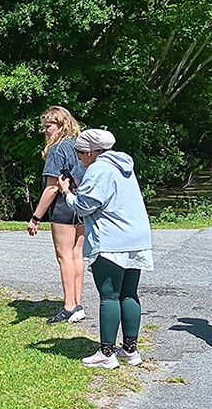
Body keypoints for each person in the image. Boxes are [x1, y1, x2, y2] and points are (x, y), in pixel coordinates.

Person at [58, 129, 153, 369]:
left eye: (81, 154)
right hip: (137, 237)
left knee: (109, 295)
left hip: (112, 240)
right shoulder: (124, 166)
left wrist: (67, 192)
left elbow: (85, 206)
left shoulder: (99, 168)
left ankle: (106, 353)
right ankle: (130, 350)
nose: (80, 159)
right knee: (129, 294)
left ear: (90, 151)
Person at [27, 106, 87, 324]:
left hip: (63, 206)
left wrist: (36, 217)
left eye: (48, 126)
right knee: (77, 255)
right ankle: (77, 303)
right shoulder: (81, 145)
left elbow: (52, 187)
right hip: (82, 204)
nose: (44, 130)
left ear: (61, 126)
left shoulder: (57, 149)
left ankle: (69, 306)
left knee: (64, 256)